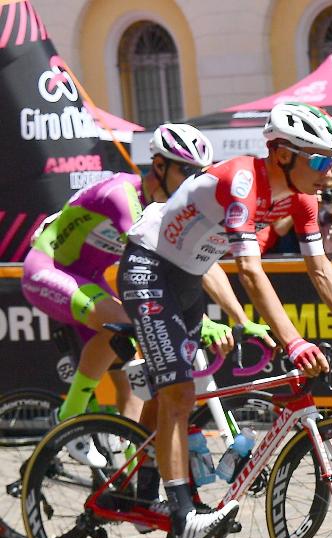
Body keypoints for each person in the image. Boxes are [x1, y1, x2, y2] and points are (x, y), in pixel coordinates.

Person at [121, 101, 332, 538]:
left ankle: (145, 484)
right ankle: (184, 514)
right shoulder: (243, 180)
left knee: (175, 390)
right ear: (283, 154)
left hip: (190, 276)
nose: (329, 171)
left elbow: (320, 268)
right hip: (149, 268)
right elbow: (249, 270)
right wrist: (294, 340)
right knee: (180, 393)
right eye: (321, 160)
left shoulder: (303, 196)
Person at [21, 123, 216, 465]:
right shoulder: (123, 195)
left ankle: (130, 473)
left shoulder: (163, 207)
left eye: (199, 174)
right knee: (126, 323)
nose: (193, 182)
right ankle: (68, 418)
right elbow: (163, 260)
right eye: (188, 172)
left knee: (135, 381)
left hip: (89, 281)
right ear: (159, 166)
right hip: (47, 270)